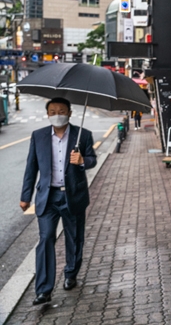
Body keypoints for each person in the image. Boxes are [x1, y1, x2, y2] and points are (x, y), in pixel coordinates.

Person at [20, 97, 97, 305]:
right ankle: (44, 290)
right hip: (48, 197)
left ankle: (71, 273)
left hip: (73, 196)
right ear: (47, 114)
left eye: (61, 111)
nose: (57, 114)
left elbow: (92, 159)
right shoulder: (39, 136)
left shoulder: (83, 135)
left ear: (70, 113)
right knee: (45, 239)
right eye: (52, 111)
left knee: (74, 238)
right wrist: (25, 196)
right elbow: (31, 167)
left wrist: (82, 161)